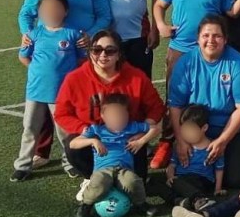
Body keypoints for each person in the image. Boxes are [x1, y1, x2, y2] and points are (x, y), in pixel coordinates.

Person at [152, 0, 240, 167]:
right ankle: (169, 142)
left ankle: (205, 139)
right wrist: (160, 25)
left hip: (210, 48)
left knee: (207, 96)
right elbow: (159, 5)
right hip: (181, 48)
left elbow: (232, 12)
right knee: (176, 97)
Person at [19, 0, 112, 173]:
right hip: (49, 55)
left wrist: (89, 37)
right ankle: (38, 154)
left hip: (80, 54)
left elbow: (104, 16)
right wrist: (28, 36)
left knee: (75, 106)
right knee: (42, 109)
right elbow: (26, 12)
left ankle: (74, 154)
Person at [54, 30, 166, 200]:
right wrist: (84, 130)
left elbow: (157, 107)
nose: (103, 55)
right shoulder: (75, 79)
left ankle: (122, 178)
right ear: (90, 52)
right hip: (95, 139)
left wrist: (141, 134)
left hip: (128, 139)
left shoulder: (136, 77)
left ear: (119, 54)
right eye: (96, 50)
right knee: (73, 147)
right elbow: (62, 113)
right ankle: (91, 178)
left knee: (137, 184)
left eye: (110, 50)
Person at [168, 16, 240, 189]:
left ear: (225, 39)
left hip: (234, 129)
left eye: (217, 36)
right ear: (198, 38)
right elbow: (175, 105)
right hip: (198, 130)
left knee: (234, 181)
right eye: (206, 35)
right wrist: (181, 139)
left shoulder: (238, 63)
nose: (211, 40)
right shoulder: (186, 63)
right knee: (187, 171)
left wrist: (222, 141)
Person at [11, 0, 84, 182]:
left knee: (65, 131)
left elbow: (82, 60)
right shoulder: (34, 34)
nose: (51, 12)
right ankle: (23, 165)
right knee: (30, 128)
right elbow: (23, 56)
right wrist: (37, 71)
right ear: (40, 12)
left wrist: (67, 79)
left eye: (56, 8)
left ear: (65, 11)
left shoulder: (73, 34)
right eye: (46, 9)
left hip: (61, 94)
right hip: (35, 91)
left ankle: (70, 162)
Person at [70, 93, 161, 217]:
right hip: (103, 169)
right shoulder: (96, 130)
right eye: (112, 116)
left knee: (133, 182)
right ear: (103, 116)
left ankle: (141, 205)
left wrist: (141, 140)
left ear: (127, 115)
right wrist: (93, 141)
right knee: (99, 184)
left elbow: (155, 128)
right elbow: (73, 144)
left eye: (121, 115)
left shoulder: (131, 127)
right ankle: (86, 206)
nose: (117, 119)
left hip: (124, 168)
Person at [166, 104, 225, 208]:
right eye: (184, 130)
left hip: (201, 180)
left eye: (191, 130)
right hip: (180, 179)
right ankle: (182, 202)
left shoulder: (213, 147)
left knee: (181, 183)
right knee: (155, 184)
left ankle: (199, 200)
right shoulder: (180, 146)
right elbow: (171, 165)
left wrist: (217, 189)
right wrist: (170, 177)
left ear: (204, 128)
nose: (186, 134)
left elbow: (219, 169)